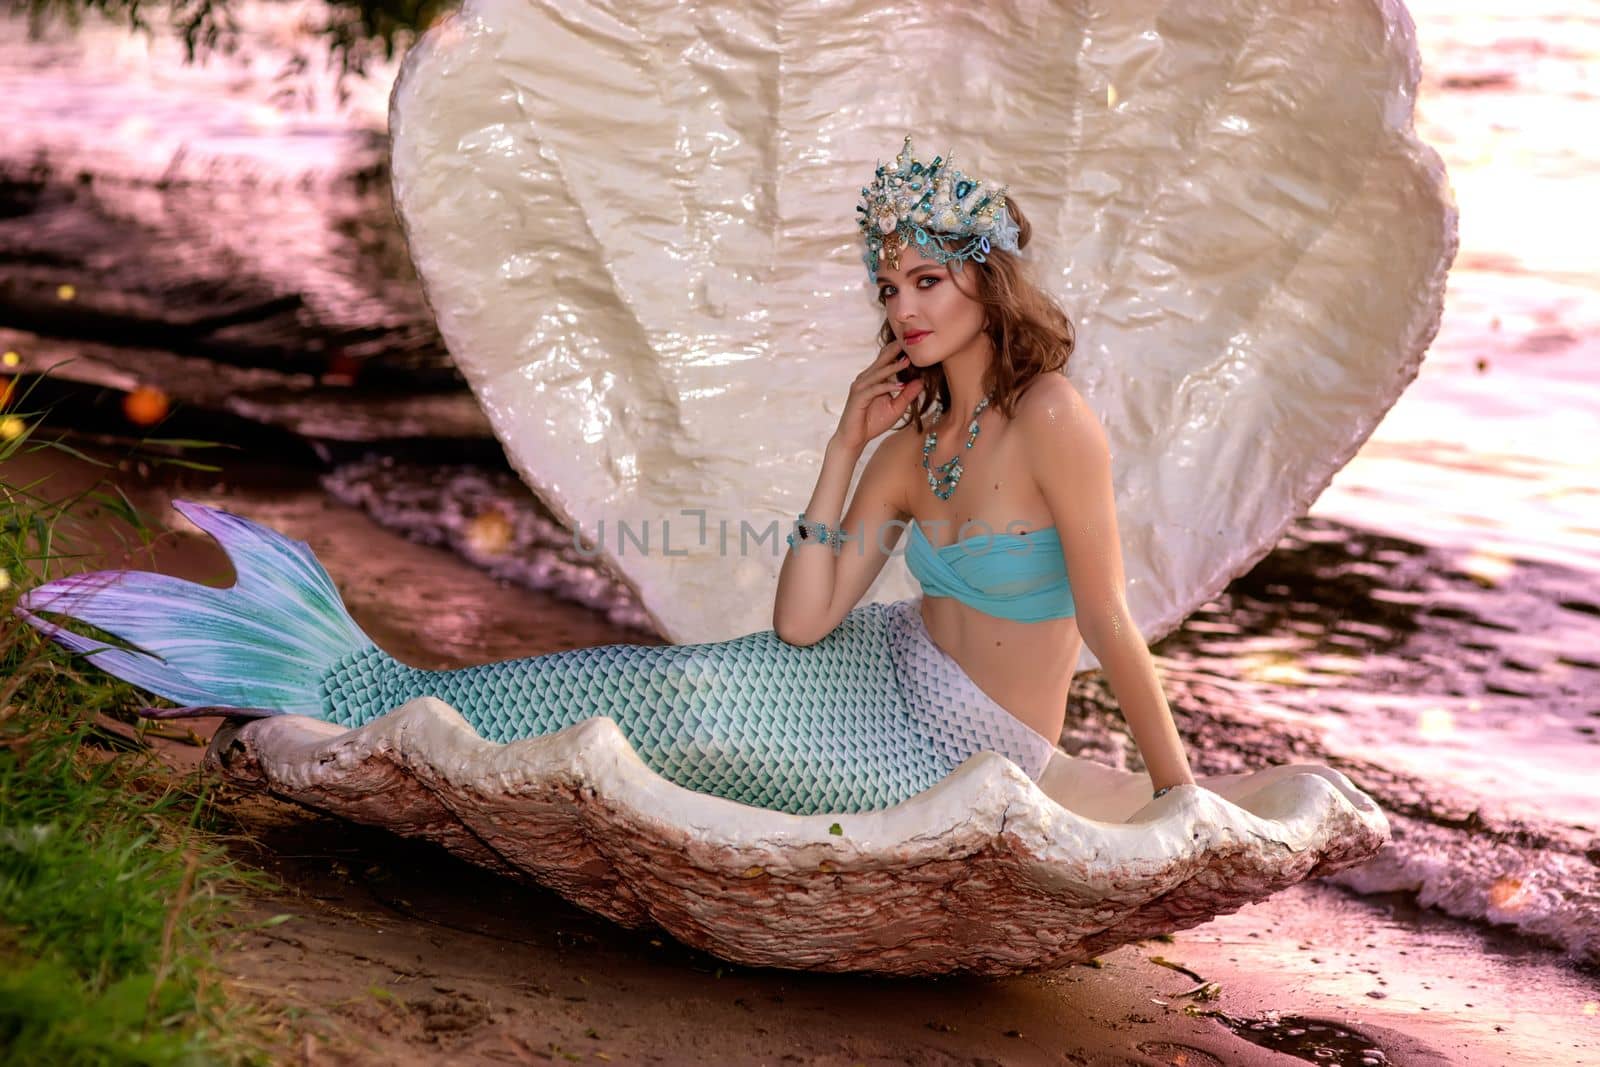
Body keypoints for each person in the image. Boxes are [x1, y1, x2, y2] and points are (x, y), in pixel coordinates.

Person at [17, 136, 1194, 815]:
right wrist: (842, 448)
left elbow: (1104, 614)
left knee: (680, 716)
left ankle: (372, 711)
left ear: (987, 279)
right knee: (654, 680)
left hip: (966, 747)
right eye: (888, 287)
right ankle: (374, 698)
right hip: (866, 667)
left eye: (926, 280)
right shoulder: (901, 443)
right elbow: (798, 624)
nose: (902, 306)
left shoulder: (1053, 417)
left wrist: (1176, 787)